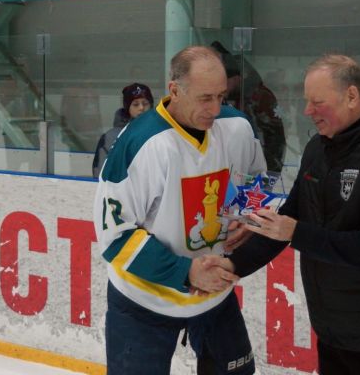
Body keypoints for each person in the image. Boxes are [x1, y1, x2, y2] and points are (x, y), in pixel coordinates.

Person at [225, 54, 360, 375]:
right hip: (334, 326)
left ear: (351, 96)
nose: (307, 111)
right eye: (307, 101)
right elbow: (291, 218)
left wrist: (294, 232)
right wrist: (230, 266)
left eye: (317, 102)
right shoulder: (318, 148)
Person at [93, 46, 267, 374]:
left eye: (221, 96)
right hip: (143, 301)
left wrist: (248, 218)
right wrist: (184, 272)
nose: (215, 109)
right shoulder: (140, 142)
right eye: (205, 98)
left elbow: (257, 179)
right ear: (175, 90)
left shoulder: (237, 128)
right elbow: (114, 237)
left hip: (215, 297)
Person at [211, 41, 286, 173]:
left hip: (260, 165)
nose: (220, 86)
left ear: (237, 78)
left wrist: (269, 171)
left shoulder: (260, 97)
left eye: (225, 81)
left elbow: (274, 138)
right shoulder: (226, 98)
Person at [91, 83, 154, 178]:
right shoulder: (111, 137)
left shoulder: (161, 133)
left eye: (145, 103)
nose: (141, 108)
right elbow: (100, 173)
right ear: (127, 108)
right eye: (135, 104)